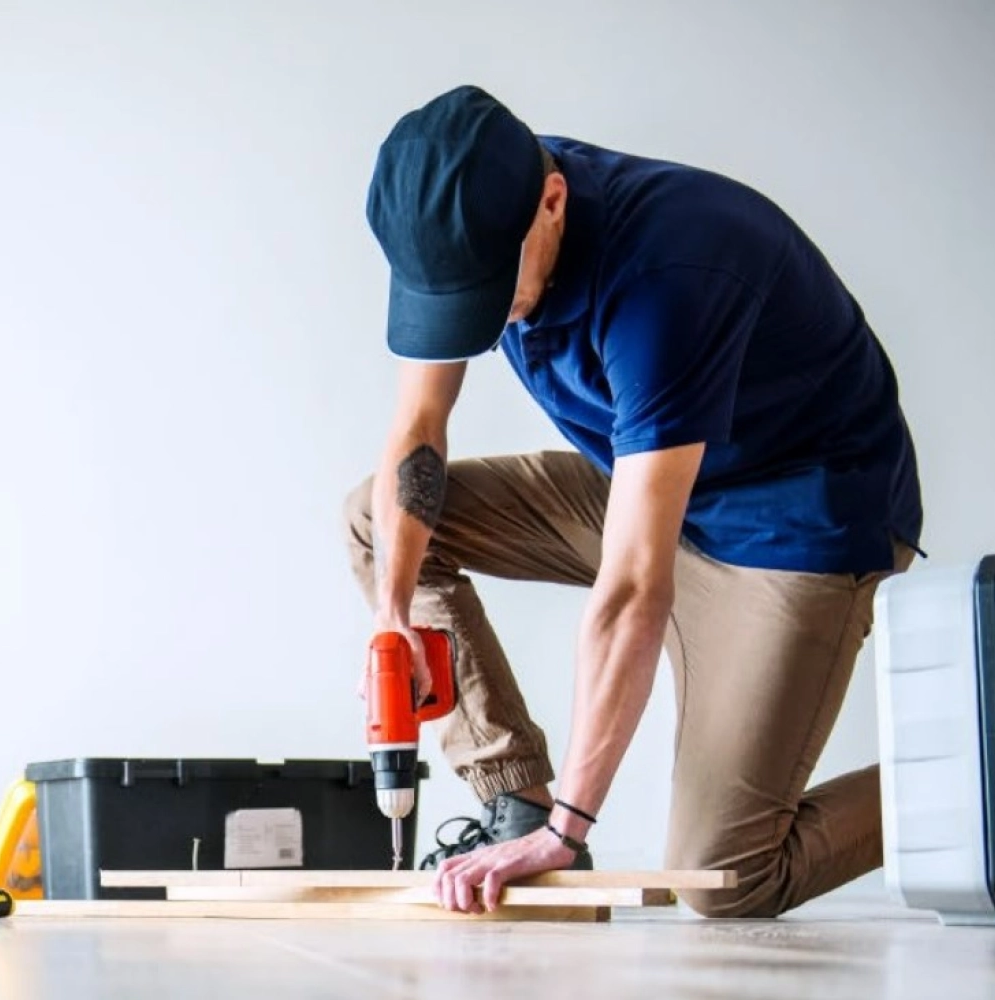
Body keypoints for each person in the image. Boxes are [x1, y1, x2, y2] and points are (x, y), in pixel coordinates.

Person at [345, 85, 924, 919]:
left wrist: (572, 835)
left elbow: (630, 590)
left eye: (486, 298)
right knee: (380, 518)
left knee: (726, 877)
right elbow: (418, 431)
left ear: (553, 204)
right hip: (647, 479)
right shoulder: (473, 206)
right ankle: (518, 802)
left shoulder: (670, 275)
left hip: (793, 526)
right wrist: (393, 616)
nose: (480, 322)